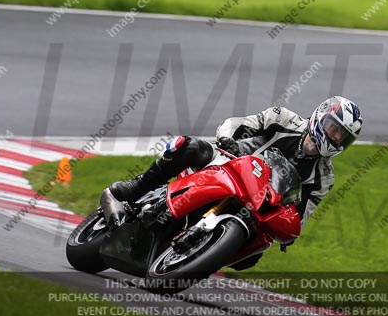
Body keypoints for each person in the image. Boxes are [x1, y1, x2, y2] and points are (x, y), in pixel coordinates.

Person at [101, 96, 362, 266]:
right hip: (229, 163)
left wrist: (288, 233)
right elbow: (238, 123)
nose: (334, 136)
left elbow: (302, 214)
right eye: (333, 127)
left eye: (342, 136)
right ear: (321, 115)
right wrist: (229, 140)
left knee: (252, 256)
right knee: (188, 147)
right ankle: (136, 188)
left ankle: (195, 255)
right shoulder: (284, 118)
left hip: (257, 202)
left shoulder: (324, 178)